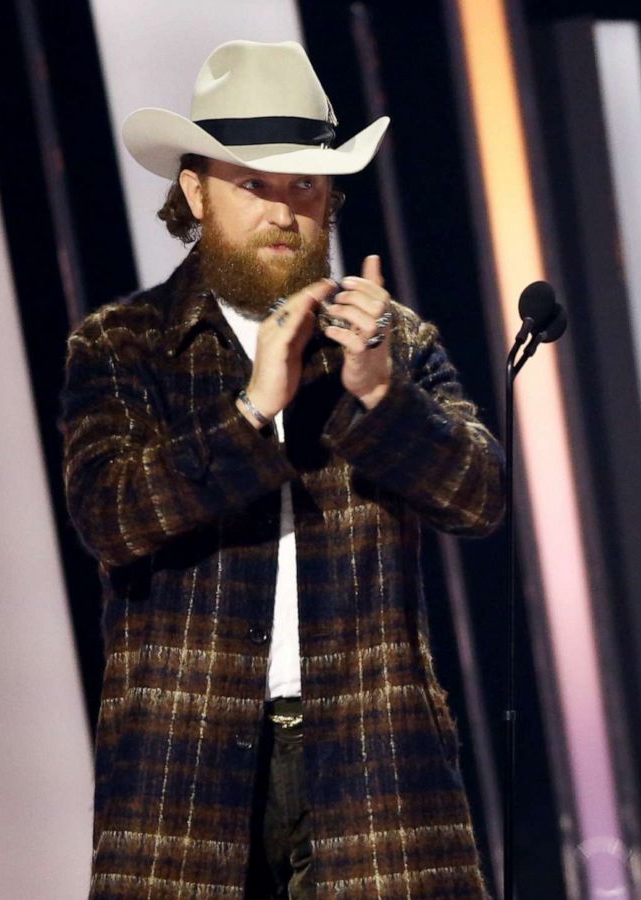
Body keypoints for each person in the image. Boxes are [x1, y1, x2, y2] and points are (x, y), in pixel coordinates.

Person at [61, 40, 502, 899]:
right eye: (253, 183)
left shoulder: (393, 339)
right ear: (195, 190)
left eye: (303, 184)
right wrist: (252, 412)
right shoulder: (124, 344)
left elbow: (479, 500)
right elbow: (109, 516)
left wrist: (380, 394)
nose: (282, 211)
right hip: (184, 768)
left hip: (375, 764)